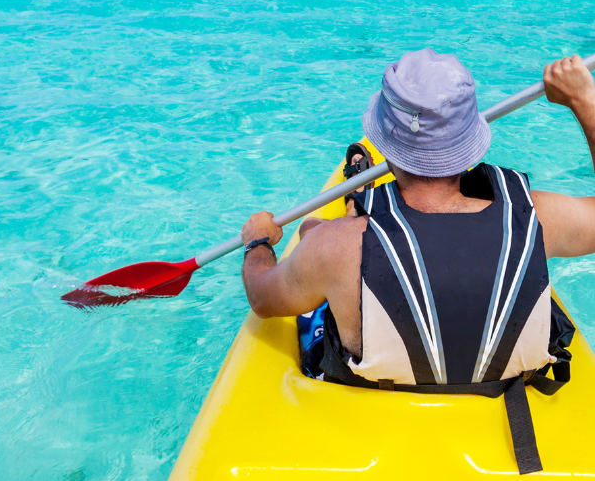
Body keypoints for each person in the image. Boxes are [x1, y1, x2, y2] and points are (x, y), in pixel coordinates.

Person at [240, 50, 595, 391]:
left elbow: (261, 297)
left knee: (311, 232)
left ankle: (357, 208)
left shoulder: (331, 248)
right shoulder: (540, 219)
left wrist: (258, 243)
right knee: (325, 237)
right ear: (470, 142)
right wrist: (583, 99)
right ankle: (358, 211)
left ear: (388, 147)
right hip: (504, 405)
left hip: (372, 399)